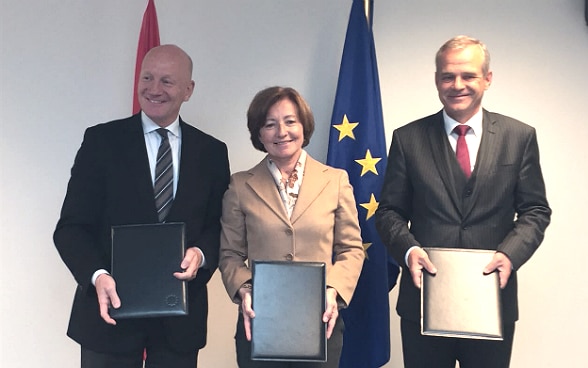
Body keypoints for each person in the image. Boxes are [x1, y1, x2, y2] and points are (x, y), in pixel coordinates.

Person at [375, 35, 551, 368]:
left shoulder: (519, 137)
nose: (457, 84)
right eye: (447, 76)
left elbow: (535, 211)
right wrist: (409, 251)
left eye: (468, 75)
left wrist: (510, 254)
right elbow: (389, 213)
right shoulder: (407, 138)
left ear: (487, 79)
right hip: (424, 300)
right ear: (437, 80)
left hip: (491, 301)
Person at [53, 44, 230, 368]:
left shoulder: (212, 152)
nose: (153, 89)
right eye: (147, 77)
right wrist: (97, 276)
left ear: (188, 90)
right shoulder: (100, 142)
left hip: (179, 323)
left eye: (167, 81)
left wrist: (201, 254)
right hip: (107, 318)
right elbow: (71, 228)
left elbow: (218, 226)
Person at [218, 86, 365, 368]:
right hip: (261, 321)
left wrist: (333, 289)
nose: (281, 131)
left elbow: (351, 249)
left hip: (320, 320)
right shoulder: (240, 185)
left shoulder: (335, 181)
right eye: (269, 124)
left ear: (304, 126)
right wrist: (245, 291)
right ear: (258, 133)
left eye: (289, 121)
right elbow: (230, 255)